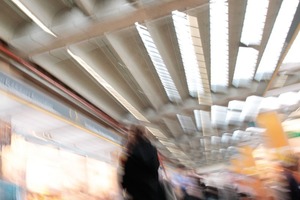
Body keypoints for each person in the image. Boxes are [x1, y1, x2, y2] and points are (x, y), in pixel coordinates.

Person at [120, 125, 165, 200]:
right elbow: (156, 166)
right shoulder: (152, 148)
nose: (129, 136)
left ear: (134, 134)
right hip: (153, 192)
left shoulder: (133, 149)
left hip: (138, 192)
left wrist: (124, 185)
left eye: (130, 134)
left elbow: (129, 172)